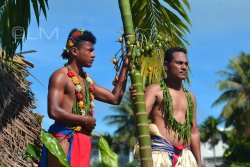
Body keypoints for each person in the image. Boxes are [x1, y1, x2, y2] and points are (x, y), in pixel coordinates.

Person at [39, 28, 129, 167]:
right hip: (64, 138)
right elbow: (53, 111)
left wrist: (125, 67)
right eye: (89, 50)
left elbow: (115, 98)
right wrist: (84, 119)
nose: (93, 55)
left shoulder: (87, 81)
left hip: (83, 141)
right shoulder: (60, 76)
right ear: (75, 51)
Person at [130, 47, 202, 167]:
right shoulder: (155, 90)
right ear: (166, 66)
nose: (184, 67)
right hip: (160, 158)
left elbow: (194, 132)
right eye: (179, 63)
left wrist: (199, 162)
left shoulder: (191, 97)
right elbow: (139, 120)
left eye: (186, 64)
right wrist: (135, 103)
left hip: (185, 159)